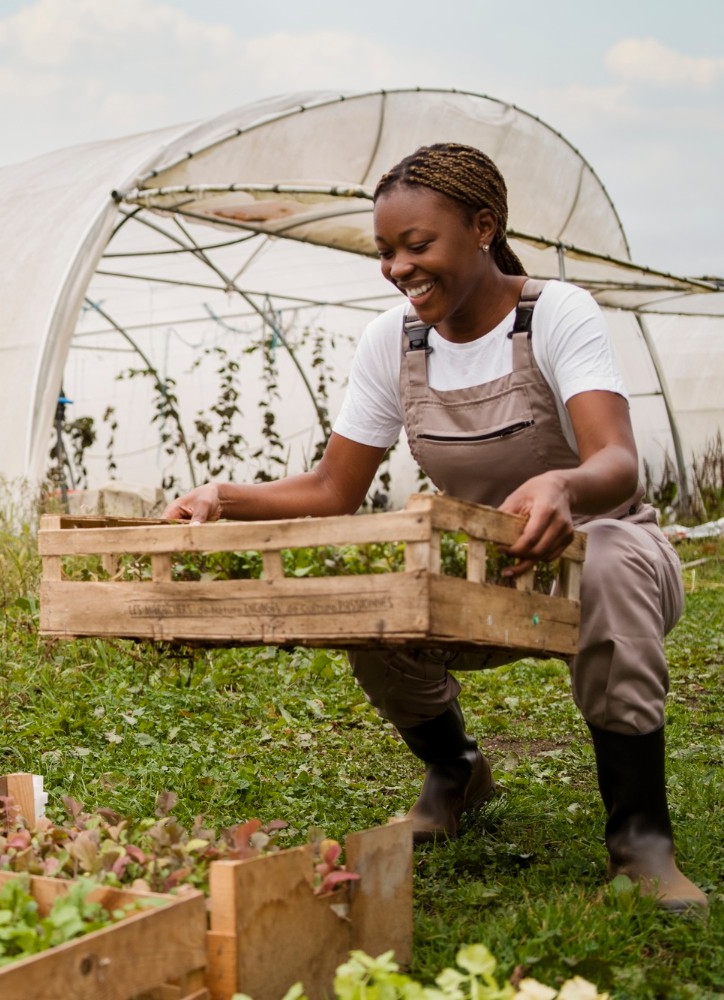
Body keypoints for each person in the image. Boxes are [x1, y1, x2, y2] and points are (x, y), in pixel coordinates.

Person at [163, 143, 706, 912]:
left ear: (483, 227)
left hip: (608, 555)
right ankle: (455, 772)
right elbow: (331, 488)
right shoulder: (394, 341)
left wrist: (561, 482)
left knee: (613, 556)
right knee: (367, 585)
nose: (398, 267)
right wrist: (220, 496)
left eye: (417, 246)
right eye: (386, 252)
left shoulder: (554, 313)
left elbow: (617, 462)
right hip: (488, 567)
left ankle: (641, 840)